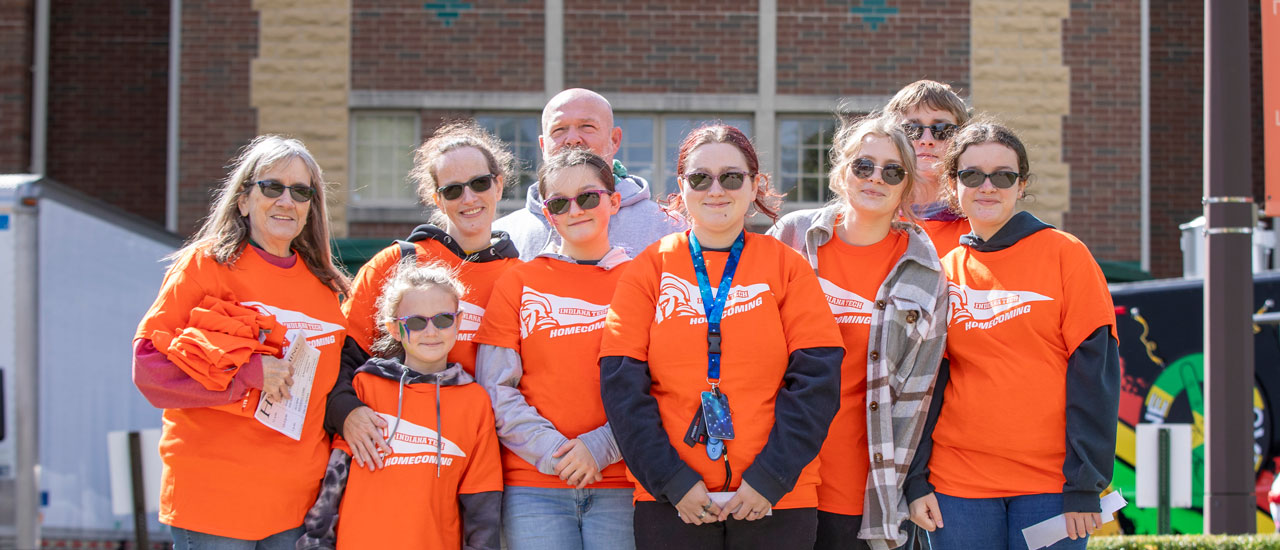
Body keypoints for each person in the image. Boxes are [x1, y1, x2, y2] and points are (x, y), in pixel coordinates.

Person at [599, 124, 844, 549]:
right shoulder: (649, 269)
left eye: (732, 177)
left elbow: (817, 383)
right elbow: (623, 389)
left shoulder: (786, 266)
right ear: (682, 187)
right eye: (700, 178)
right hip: (674, 502)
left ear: (754, 187)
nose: (716, 190)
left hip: (776, 499)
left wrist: (770, 480)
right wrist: (671, 481)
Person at [907, 122, 1119, 550]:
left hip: (1051, 485)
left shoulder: (1066, 255)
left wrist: (1085, 482)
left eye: (1002, 176)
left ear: (1021, 185)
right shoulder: (942, 269)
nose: (987, 187)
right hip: (957, 486)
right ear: (953, 184)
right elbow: (925, 385)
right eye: (971, 175)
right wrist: (915, 481)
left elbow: (1095, 375)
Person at [133, 135, 349, 548]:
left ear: (310, 208)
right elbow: (149, 368)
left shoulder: (326, 290)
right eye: (272, 187)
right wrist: (249, 373)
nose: (287, 200)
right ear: (244, 200)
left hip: (296, 506)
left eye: (301, 191)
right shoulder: (205, 266)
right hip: (215, 501)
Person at [768, 115, 948, 550]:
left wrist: (914, 481)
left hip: (861, 479)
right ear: (841, 170)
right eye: (863, 166)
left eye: (892, 171)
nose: (875, 179)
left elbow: (920, 390)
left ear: (906, 186)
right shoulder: (792, 237)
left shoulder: (925, 270)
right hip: (773, 470)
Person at [327, 120, 523, 472]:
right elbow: (337, 355)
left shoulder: (523, 277)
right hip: (398, 458)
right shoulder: (397, 264)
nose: (469, 198)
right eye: (452, 190)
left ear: (499, 185)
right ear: (436, 198)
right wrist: (347, 412)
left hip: (493, 466)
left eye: (480, 183)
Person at [475, 149, 635, 549]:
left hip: (622, 482)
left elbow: (661, 385)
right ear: (548, 214)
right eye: (560, 203)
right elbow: (496, 388)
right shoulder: (518, 283)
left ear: (613, 201)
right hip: (533, 485)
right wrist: (555, 453)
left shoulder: (643, 281)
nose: (575, 209)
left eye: (588, 197)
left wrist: (599, 448)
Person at [297, 261, 503, 550]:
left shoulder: (475, 401)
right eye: (417, 322)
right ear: (394, 328)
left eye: (442, 319)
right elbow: (334, 482)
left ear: (458, 321)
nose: (431, 331)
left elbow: (482, 504)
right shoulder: (365, 387)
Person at [493, 88, 687, 259]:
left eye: (586, 127)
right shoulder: (504, 236)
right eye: (559, 129)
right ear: (543, 146)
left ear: (615, 139)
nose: (572, 139)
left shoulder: (669, 229)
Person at [884, 80, 972, 257]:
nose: (926, 139)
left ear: (962, 138)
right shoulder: (874, 216)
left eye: (941, 129)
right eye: (911, 129)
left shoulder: (978, 219)